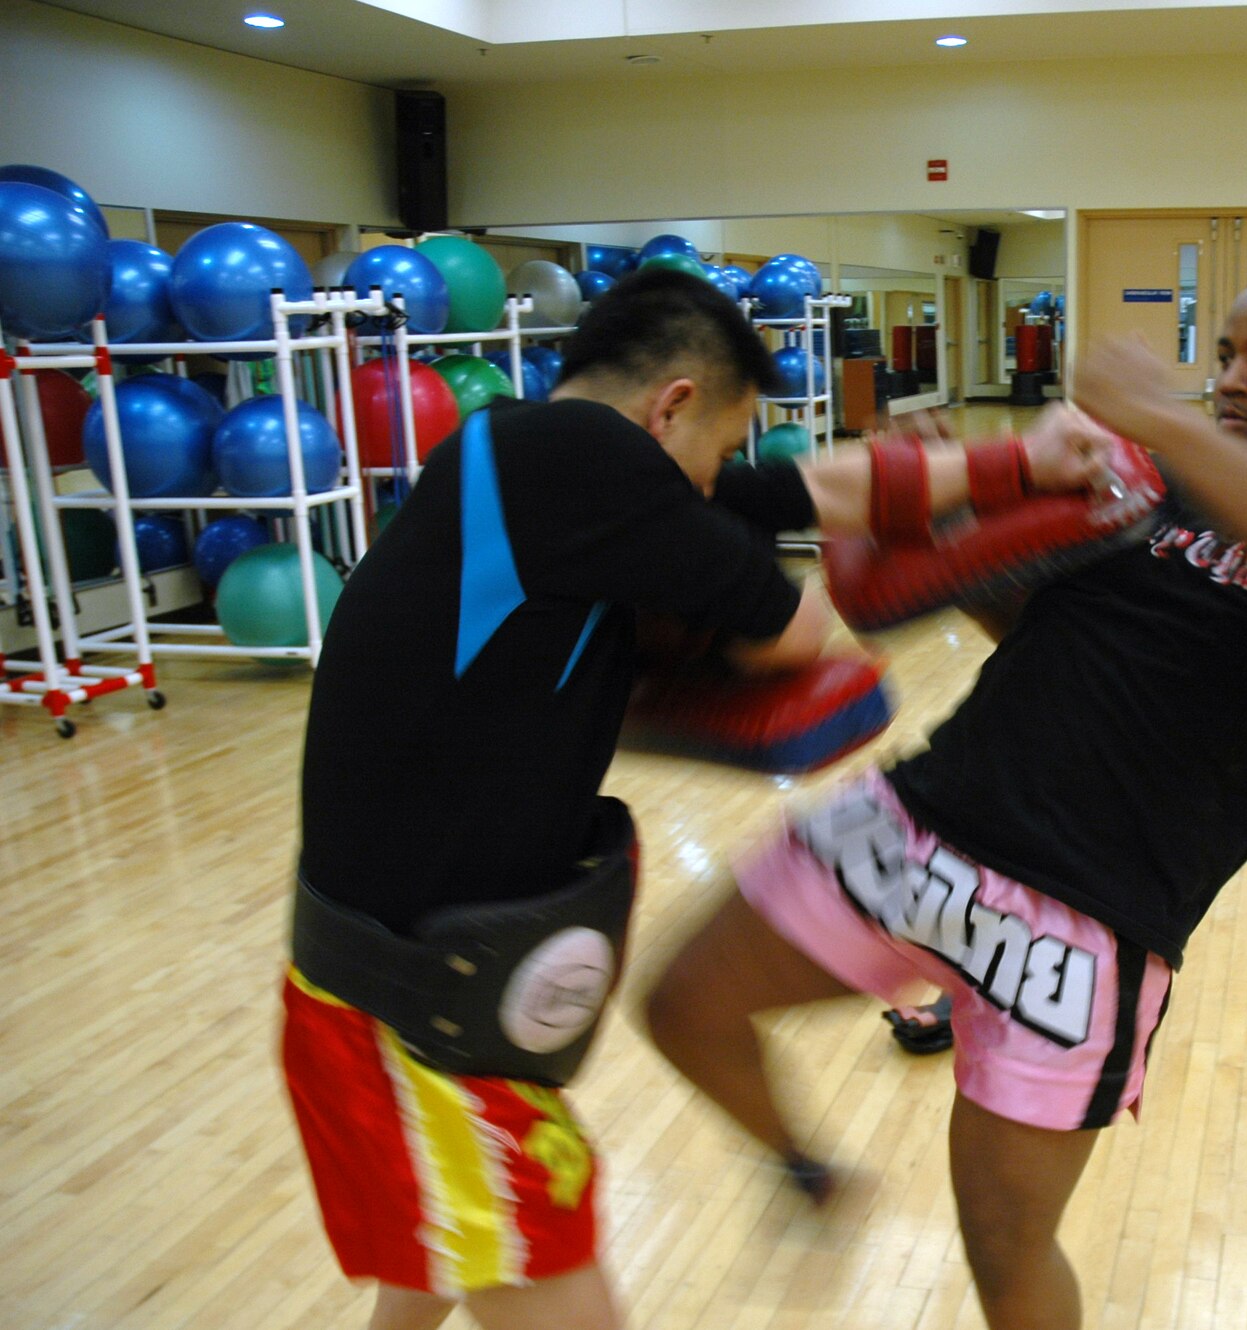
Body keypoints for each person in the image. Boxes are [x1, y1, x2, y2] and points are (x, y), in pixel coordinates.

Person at [283, 267, 1107, 1330]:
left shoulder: (529, 463)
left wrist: (1019, 462)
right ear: (670, 404)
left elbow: (820, 488)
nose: (724, 474)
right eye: (722, 445)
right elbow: (795, 630)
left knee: (446, 1242)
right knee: (530, 1257)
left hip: (396, 980)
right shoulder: (575, 456)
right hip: (411, 1007)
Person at [641, 267, 1247, 1329]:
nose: (1231, 380)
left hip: (1085, 918)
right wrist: (952, 510)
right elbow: (1039, 633)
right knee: (680, 1002)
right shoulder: (1149, 487)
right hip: (926, 819)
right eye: (1223, 357)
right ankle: (803, 1166)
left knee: (1004, 1242)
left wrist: (1160, 418)